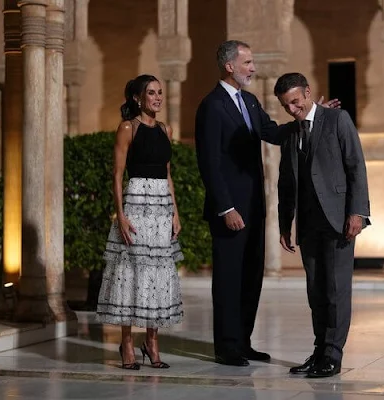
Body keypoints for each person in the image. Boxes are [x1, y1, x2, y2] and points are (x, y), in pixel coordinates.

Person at [195, 40, 339, 367]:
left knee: (250, 276)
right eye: (248, 62)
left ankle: (243, 342)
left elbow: (272, 133)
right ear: (229, 65)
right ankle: (227, 346)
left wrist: (311, 117)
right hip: (229, 209)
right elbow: (209, 162)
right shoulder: (211, 105)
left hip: (253, 206)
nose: (253, 68)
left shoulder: (249, 100)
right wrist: (225, 207)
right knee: (229, 278)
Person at [275, 72, 370, 378]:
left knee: (336, 290)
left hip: (338, 220)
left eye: (295, 101)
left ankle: (333, 354)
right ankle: (319, 352)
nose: (292, 109)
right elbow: (286, 183)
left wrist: (357, 212)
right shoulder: (292, 133)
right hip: (308, 224)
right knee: (316, 291)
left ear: (307, 93)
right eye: (286, 105)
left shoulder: (337, 120)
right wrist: (284, 224)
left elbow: (356, 166)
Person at [96, 74, 184, 370]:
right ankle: (128, 344)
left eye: (160, 92)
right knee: (130, 272)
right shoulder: (127, 128)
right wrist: (120, 215)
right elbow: (117, 175)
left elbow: (168, 173)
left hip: (161, 207)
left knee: (157, 275)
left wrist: (175, 211)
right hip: (135, 205)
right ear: (138, 98)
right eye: (151, 93)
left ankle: (152, 341)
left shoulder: (165, 129)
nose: (158, 98)